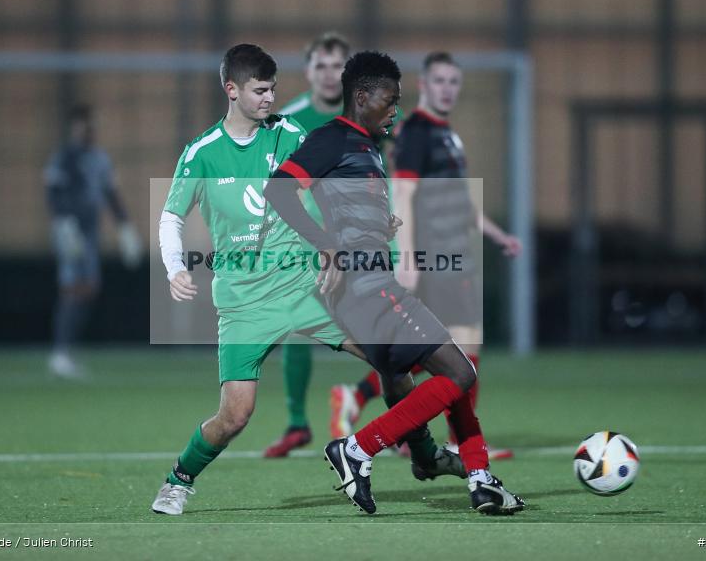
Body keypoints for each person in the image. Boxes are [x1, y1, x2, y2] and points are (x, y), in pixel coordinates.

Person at [151, 44, 462, 517]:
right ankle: (179, 480)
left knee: (390, 358)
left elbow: (329, 181)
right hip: (244, 302)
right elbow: (171, 217)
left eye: (273, 89)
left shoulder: (290, 133)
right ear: (230, 90)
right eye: (259, 90)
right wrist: (175, 268)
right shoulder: (203, 154)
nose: (269, 98)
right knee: (236, 414)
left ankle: (423, 455)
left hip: (306, 286)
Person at [264, 51, 524, 515]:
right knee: (460, 372)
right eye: (390, 99)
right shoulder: (334, 138)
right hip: (367, 287)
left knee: (400, 383)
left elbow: (345, 208)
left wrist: (379, 226)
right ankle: (358, 449)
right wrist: (326, 244)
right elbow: (278, 190)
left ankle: (469, 475)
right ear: (361, 97)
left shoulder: (366, 147)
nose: (395, 110)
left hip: (365, 285)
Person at [329, 52, 522, 462]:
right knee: (457, 351)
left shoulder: (447, 135)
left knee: (434, 351)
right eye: (440, 81)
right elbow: (404, 193)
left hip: (456, 254)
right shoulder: (416, 131)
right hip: (434, 257)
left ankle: (367, 402)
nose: (447, 89)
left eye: (454, 81)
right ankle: (450, 441)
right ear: (425, 84)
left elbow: (462, 202)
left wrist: (497, 234)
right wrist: (409, 258)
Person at [263, 32, 350, 458]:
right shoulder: (289, 120)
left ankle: (407, 427)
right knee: (297, 330)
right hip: (311, 243)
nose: (330, 74)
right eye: (321, 66)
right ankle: (297, 423)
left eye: (337, 66)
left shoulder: (371, 112)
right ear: (308, 71)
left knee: (393, 328)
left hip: (366, 237)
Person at [44, 104, 142, 379]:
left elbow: (111, 194)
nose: (88, 130)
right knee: (73, 287)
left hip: (89, 232)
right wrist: (65, 224)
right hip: (70, 229)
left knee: (88, 288)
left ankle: (65, 351)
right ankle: (60, 353)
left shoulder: (100, 159)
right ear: (74, 127)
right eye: (83, 125)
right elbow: (54, 193)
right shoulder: (65, 158)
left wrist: (125, 228)